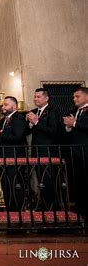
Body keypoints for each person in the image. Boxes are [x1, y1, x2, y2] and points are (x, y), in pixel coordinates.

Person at [0, 96, 28, 211]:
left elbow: (18, 137)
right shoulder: (2, 120)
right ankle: (10, 211)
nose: (3, 107)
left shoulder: (19, 119)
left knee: (15, 185)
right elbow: (2, 137)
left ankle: (19, 211)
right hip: (4, 158)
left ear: (14, 106)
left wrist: (0, 135)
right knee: (6, 186)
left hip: (15, 157)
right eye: (3, 105)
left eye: (6, 104)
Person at [27, 88, 61, 211]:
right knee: (40, 181)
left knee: (49, 181)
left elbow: (53, 131)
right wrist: (30, 124)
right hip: (36, 152)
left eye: (38, 97)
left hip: (48, 152)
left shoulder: (53, 111)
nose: (36, 99)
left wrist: (36, 122)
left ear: (46, 98)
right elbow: (28, 131)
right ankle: (44, 206)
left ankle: (53, 209)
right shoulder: (33, 111)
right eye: (35, 97)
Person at [63, 87, 88, 219]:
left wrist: (75, 123)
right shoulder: (73, 111)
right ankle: (80, 209)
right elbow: (68, 129)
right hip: (75, 153)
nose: (74, 99)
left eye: (77, 96)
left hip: (86, 151)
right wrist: (68, 126)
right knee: (77, 181)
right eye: (73, 97)